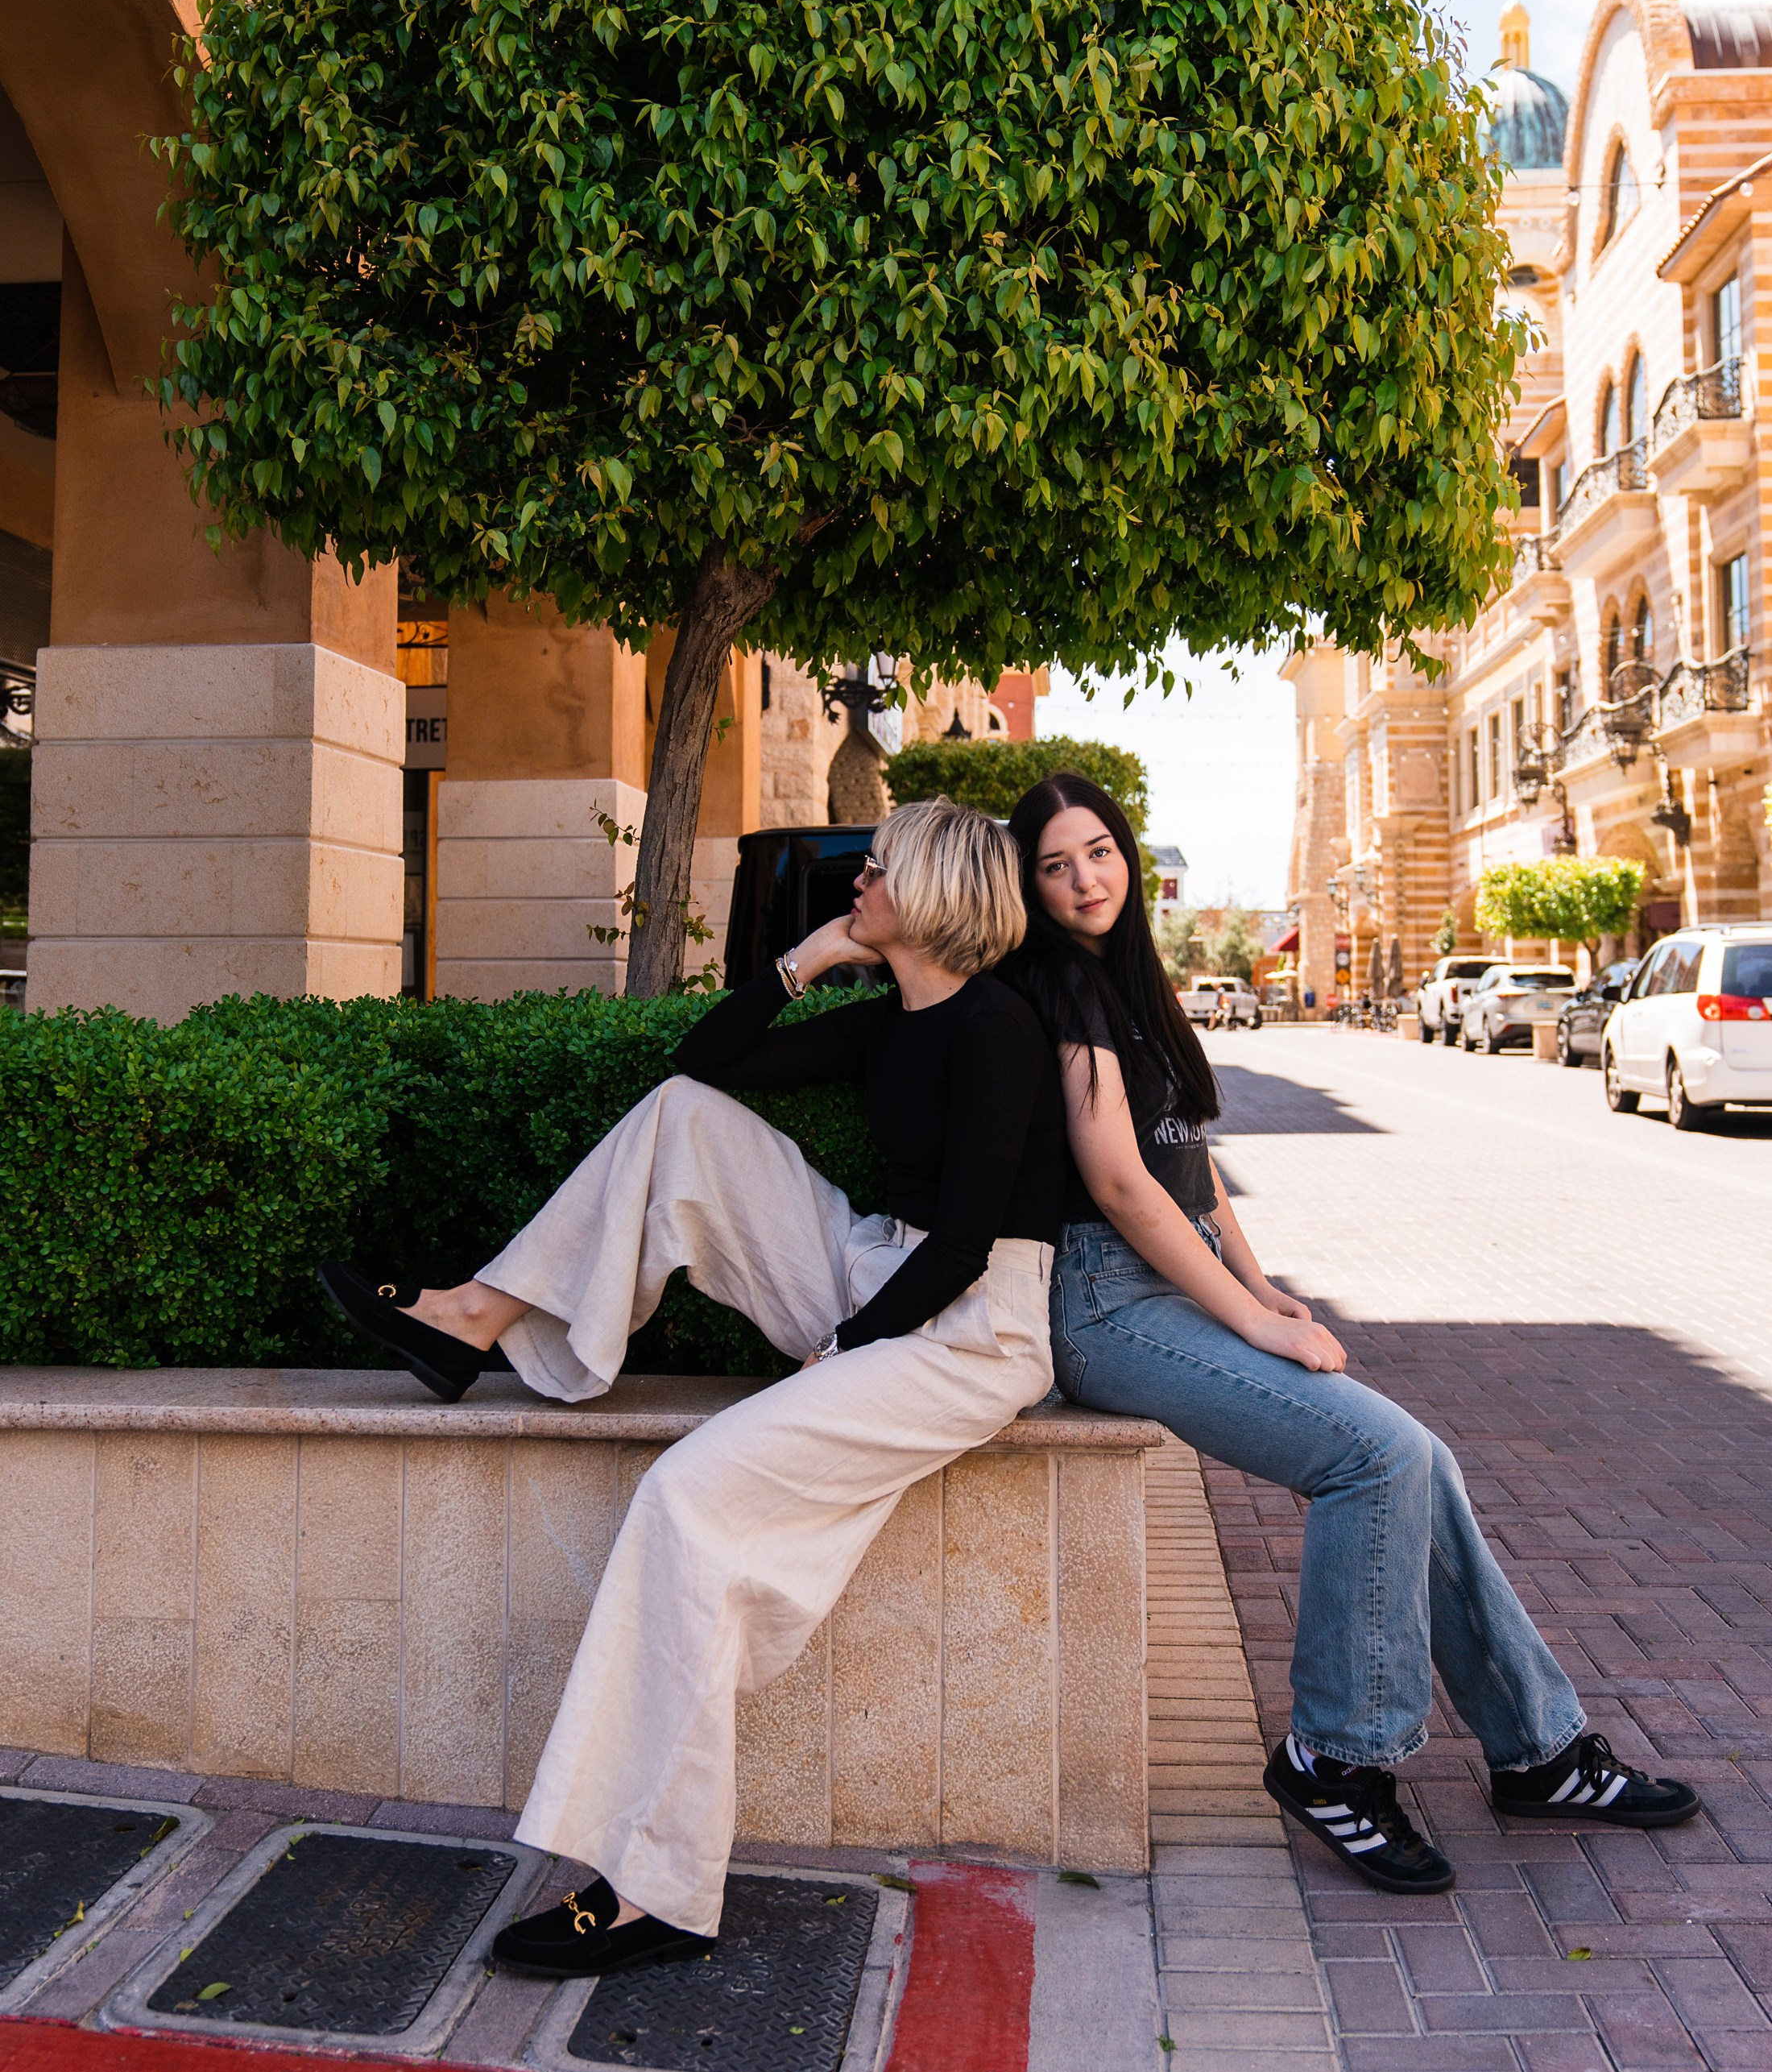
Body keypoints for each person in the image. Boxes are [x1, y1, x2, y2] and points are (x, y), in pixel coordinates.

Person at [319, 798, 1063, 1972]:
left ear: (931, 891)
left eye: (874, 871)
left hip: (968, 1332)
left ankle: (656, 1890)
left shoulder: (999, 1030)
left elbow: (967, 1242)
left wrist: (849, 1346)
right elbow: (703, 1064)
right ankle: (473, 1321)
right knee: (680, 1119)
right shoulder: (891, 1021)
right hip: (880, 1269)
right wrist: (805, 961)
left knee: (686, 1495)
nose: (857, 884)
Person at [1003, 773, 1696, 1896]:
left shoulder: (1130, 980)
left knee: (1422, 1462)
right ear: (1031, 887)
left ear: (1126, 855)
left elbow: (1190, 1170)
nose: (1085, 879)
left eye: (1099, 852)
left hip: (1172, 1279)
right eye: (1055, 865)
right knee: (1374, 1458)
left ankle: (1540, 1751)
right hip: (1106, 1305)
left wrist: (1264, 1288)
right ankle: (1334, 1757)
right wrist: (1248, 1321)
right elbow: (1122, 1186)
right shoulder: (1058, 985)